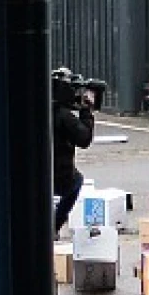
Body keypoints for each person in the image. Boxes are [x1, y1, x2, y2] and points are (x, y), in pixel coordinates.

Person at [51, 69, 96, 233]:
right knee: (76, 181)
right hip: (59, 174)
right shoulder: (63, 116)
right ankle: (54, 226)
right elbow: (84, 139)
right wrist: (86, 111)